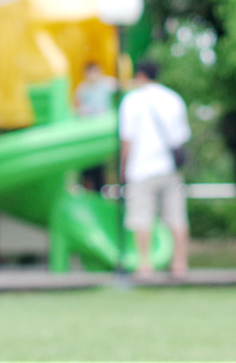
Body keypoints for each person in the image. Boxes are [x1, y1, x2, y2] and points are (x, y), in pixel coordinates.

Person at [118, 60, 191, 278]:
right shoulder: (173, 99)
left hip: (141, 168)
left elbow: (127, 140)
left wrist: (123, 168)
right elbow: (181, 138)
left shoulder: (131, 101)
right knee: (177, 217)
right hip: (169, 167)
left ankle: (145, 265)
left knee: (142, 218)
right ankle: (180, 264)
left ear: (139, 75)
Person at [74, 61, 116, 192]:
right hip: (88, 131)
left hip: (102, 128)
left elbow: (122, 88)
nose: (93, 75)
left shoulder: (107, 84)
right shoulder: (82, 89)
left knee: (99, 163)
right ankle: (86, 186)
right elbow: (76, 106)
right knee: (87, 163)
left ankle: (99, 188)